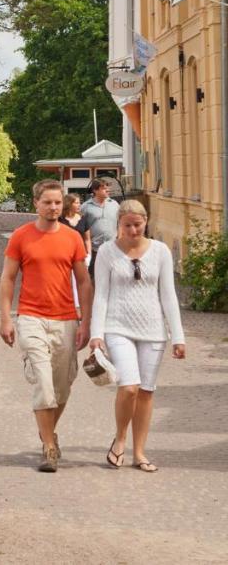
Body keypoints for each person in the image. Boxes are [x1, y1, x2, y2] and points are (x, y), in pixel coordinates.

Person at [0, 179, 93, 472]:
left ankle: (47, 431)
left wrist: (86, 322)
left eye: (57, 202)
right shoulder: (21, 236)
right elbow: (8, 279)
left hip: (65, 318)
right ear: (36, 204)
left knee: (62, 388)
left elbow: (84, 281)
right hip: (31, 317)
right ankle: (49, 447)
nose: (53, 207)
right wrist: (5, 318)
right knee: (43, 381)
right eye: (47, 202)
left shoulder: (72, 238)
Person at [89, 200, 185, 472]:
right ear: (119, 224)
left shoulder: (161, 251)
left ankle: (139, 452)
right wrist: (97, 334)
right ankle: (120, 439)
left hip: (153, 331)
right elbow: (102, 296)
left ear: (146, 222)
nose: (133, 230)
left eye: (138, 225)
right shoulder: (107, 252)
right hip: (118, 327)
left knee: (145, 391)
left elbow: (168, 295)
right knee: (129, 386)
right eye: (127, 225)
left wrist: (178, 336)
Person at [80, 178, 120, 279]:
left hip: (112, 248)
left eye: (108, 188)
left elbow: (121, 223)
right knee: (94, 277)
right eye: (103, 188)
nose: (107, 190)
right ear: (95, 190)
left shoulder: (114, 204)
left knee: (113, 276)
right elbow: (80, 227)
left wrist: (120, 238)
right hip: (94, 250)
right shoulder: (86, 207)